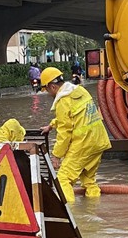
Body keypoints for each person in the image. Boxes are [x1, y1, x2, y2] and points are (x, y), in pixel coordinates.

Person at [39, 66, 111, 201]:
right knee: (89, 180)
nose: (49, 93)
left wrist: (56, 156)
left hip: (84, 143)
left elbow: (65, 132)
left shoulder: (63, 101)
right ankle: (93, 209)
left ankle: (70, 214)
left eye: (47, 89)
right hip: (99, 141)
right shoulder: (79, 91)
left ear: (52, 86)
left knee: (62, 178)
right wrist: (52, 125)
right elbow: (75, 115)